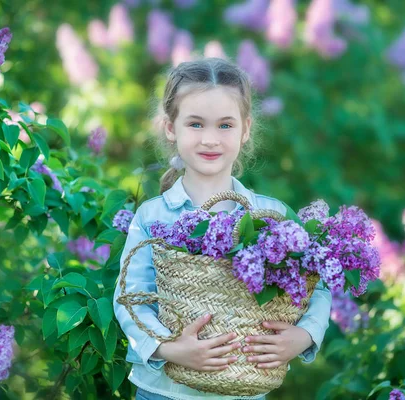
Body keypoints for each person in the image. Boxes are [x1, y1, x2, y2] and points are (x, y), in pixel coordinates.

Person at [112, 57, 332, 400]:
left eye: (225, 126)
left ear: (245, 129)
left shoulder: (271, 215)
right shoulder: (153, 215)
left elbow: (317, 285)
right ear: (171, 128)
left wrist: (303, 336)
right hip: (163, 392)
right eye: (196, 124)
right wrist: (170, 349)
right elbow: (129, 298)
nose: (210, 139)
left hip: (245, 390)